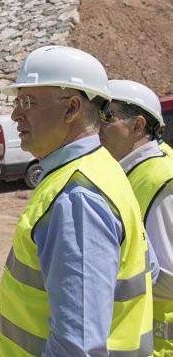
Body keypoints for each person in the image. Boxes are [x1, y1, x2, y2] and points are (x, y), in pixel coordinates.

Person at [0, 46, 153, 356]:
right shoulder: (102, 168)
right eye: (16, 102)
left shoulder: (77, 197)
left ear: (72, 109)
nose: (15, 114)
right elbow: (149, 270)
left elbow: (77, 346)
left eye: (28, 102)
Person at [99, 79, 173, 356]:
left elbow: (170, 280)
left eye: (107, 116)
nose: (98, 127)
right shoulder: (132, 170)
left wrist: (98, 280)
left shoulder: (159, 178)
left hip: (161, 346)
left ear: (138, 126)